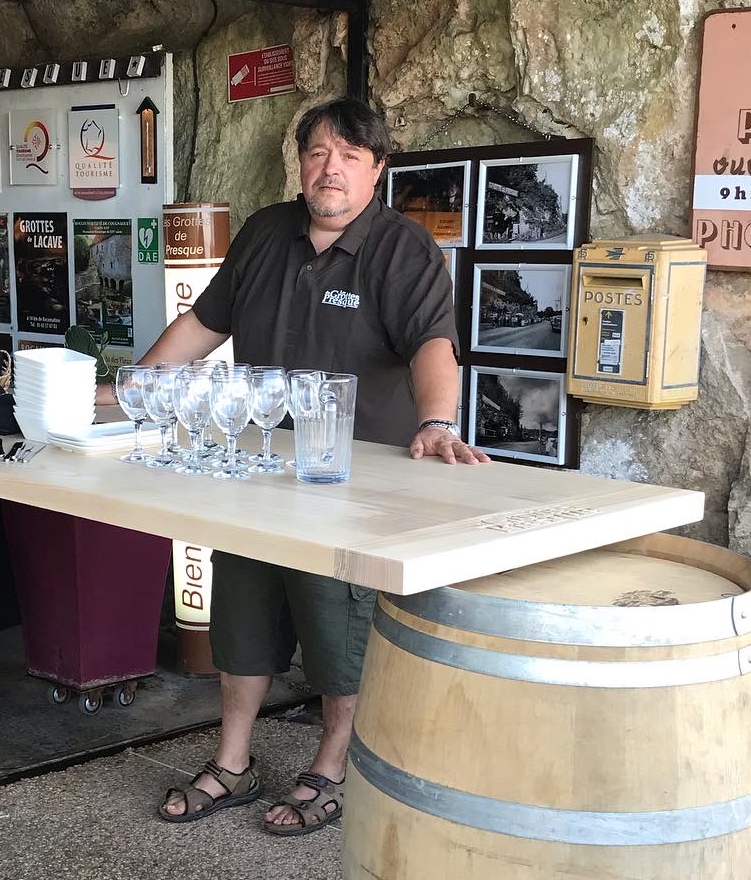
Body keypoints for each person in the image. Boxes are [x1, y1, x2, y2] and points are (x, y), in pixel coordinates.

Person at [120, 97, 489, 834]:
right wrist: (137, 388)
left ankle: (331, 767)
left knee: (338, 634)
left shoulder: (403, 249)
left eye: (351, 156)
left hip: (351, 483)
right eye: (320, 153)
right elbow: (204, 323)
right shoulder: (265, 232)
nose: (332, 169)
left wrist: (438, 422)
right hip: (256, 469)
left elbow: (433, 346)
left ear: (377, 171)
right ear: (301, 162)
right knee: (243, 619)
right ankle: (234, 761)